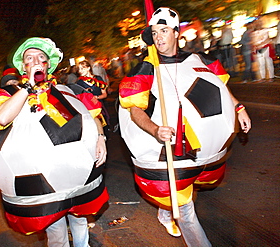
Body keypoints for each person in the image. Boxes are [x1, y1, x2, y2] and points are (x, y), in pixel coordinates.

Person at [118, 7, 251, 247]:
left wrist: (239, 108)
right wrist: (155, 129)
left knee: (189, 191)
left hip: (201, 150)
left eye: (164, 31)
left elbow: (222, 87)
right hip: (166, 151)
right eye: (155, 33)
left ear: (176, 33)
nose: (158, 38)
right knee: (187, 212)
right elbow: (134, 109)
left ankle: (165, 213)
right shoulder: (146, 68)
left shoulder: (199, 59)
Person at [0, 37, 108, 247]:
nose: (36, 61)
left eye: (41, 57)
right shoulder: (7, 94)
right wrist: (28, 87)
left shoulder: (68, 90)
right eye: (29, 58)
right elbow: (1, 118)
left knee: (80, 222)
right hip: (44, 187)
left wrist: (100, 137)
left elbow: (94, 115)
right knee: (56, 233)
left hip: (78, 174)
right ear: (23, 66)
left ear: (49, 64)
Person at [77, 60, 110, 130]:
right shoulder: (79, 82)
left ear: (88, 68)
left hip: (99, 108)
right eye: (79, 69)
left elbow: (105, 94)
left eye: (82, 68)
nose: (80, 71)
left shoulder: (98, 79)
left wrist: (96, 97)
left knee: (103, 128)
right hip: (88, 109)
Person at [252, 18, 274, 83]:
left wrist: (261, 44)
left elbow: (267, 39)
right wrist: (255, 47)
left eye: (259, 22)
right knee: (261, 64)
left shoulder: (265, 30)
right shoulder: (254, 33)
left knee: (269, 62)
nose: (258, 24)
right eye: (256, 23)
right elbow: (253, 41)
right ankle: (262, 77)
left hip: (265, 47)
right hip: (258, 49)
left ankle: (271, 77)